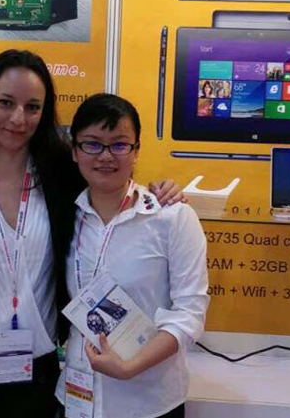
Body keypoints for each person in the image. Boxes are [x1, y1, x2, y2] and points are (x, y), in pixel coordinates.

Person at [0, 50, 182, 418]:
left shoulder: (63, 180)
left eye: (32, 107)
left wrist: (160, 190)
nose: (18, 118)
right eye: (6, 103)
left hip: (40, 373)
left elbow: (114, 180)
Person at [56, 93, 208, 418]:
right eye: (92, 144)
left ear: (136, 150)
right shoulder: (63, 216)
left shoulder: (171, 217)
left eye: (119, 145)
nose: (105, 156)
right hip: (76, 396)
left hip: (147, 401)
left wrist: (130, 367)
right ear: (75, 151)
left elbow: (190, 314)